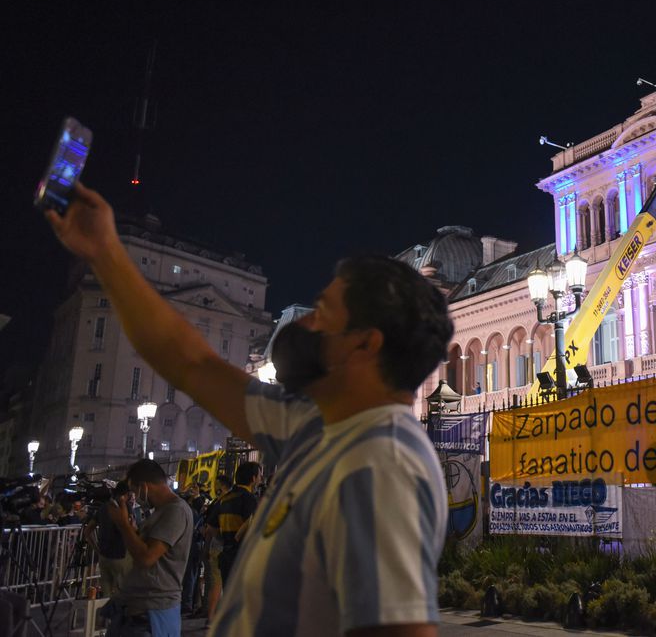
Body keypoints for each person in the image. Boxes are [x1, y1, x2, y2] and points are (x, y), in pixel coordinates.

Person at [46, 182, 452, 637]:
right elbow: (192, 362)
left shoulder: (383, 462)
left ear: (364, 343)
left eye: (321, 314)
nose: (303, 326)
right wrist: (106, 253)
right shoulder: (317, 427)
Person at [104, 459, 194, 637]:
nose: (133, 496)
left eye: (134, 490)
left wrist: (123, 525)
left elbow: (147, 558)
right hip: (136, 609)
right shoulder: (161, 511)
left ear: (144, 486)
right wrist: (132, 531)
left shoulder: (176, 511)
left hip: (152, 613)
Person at [205, 462, 261, 587]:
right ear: (253, 478)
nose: (260, 479)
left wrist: (226, 539)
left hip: (226, 556)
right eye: (259, 476)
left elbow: (211, 527)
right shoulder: (249, 498)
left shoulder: (224, 499)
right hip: (242, 558)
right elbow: (252, 527)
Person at [84, 481, 134, 599]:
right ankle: (117, 617)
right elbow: (131, 529)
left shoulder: (103, 508)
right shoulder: (126, 507)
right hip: (121, 556)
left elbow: (87, 531)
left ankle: (104, 617)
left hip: (104, 557)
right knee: (121, 594)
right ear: (126, 494)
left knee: (106, 595)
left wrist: (97, 549)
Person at [200, 475, 232, 622]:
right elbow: (211, 528)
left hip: (217, 547)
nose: (213, 486)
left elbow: (210, 528)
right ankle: (211, 616)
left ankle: (211, 615)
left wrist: (206, 547)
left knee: (215, 583)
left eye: (216, 484)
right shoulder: (223, 502)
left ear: (222, 486)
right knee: (217, 583)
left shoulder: (221, 502)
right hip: (221, 548)